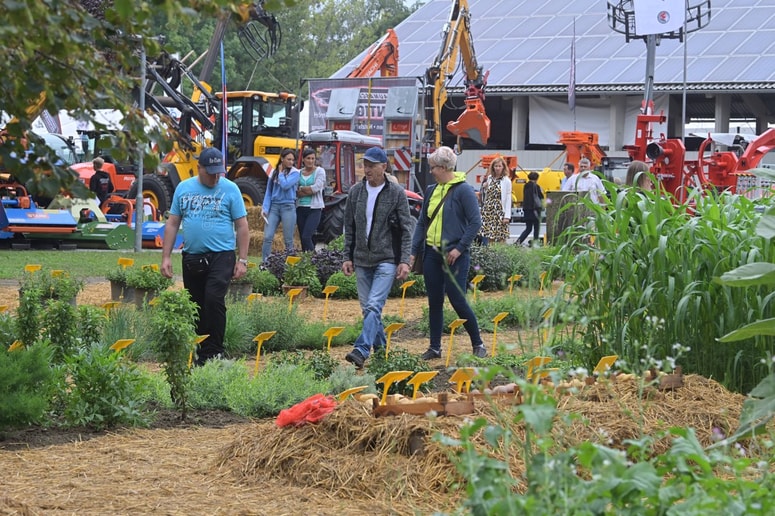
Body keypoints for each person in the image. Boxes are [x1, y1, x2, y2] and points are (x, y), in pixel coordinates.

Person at [161, 147, 249, 365]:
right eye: (210, 172)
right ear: (199, 168)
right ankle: (200, 350)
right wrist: (166, 257)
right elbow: (172, 223)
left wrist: (243, 260)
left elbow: (242, 226)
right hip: (192, 256)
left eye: (218, 172)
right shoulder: (184, 188)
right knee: (196, 304)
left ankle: (215, 352)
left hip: (222, 255)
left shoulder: (231, 189)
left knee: (213, 300)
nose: (215, 177)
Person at [411, 146, 487, 361]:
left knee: (457, 300)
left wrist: (459, 248)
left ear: (444, 167)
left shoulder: (464, 190)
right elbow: (422, 223)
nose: (431, 171)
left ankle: (478, 343)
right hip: (432, 254)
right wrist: (414, 251)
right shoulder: (430, 190)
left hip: (455, 256)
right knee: (434, 301)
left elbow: (475, 223)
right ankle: (435, 347)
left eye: (433, 167)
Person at [342, 147, 414, 369]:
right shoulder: (356, 192)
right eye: (365, 164)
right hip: (362, 260)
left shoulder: (396, 192)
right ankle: (382, 355)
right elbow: (349, 227)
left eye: (372, 165)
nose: (367, 169)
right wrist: (347, 256)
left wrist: (404, 260)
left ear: (384, 167)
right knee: (369, 311)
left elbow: (406, 229)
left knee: (374, 306)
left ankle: (361, 350)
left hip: (387, 259)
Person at [262, 148, 300, 262]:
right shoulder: (274, 173)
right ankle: (265, 262)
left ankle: (290, 265)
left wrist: (280, 173)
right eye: (288, 159)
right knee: (267, 236)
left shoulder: (295, 173)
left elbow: (285, 185)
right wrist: (265, 208)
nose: (291, 162)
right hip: (274, 207)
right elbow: (269, 191)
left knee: (288, 240)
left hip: (288, 206)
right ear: (282, 159)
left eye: (292, 160)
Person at [296, 148, 326, 252]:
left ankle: (315, 260)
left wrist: (302, 189)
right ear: (303, 159)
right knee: (304, 239)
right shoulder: (298, 172)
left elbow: (317, 188)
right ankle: (306, 262)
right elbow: (295, 190)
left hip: (314, 209)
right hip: (300, 208)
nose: (310, 161)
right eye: (308, 158)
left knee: (306, 236)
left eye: (313, 158)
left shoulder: (319, 171)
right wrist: (308, 189)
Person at [478, 156, 512, 245]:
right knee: (490, 235)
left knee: (501, 236)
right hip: (489, 210)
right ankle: (491, 255)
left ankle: (501, 256)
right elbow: (486, 194)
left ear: (503, 167)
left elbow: (508, 199)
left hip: (500, 210)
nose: (497, 168)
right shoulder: (489, 178)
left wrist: (507, 216)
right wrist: (485, 187)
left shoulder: (506, 181)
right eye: (495, 166)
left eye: (499, 166)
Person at [517, 171, 544, 246]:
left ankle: (518, 242)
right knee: (536, 228)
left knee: (528, 228)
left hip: (527, 210)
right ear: (537, 178)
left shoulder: (525, 186)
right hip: (534, 210)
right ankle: (535, 243)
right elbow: (541, 197)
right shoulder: (536, 186)